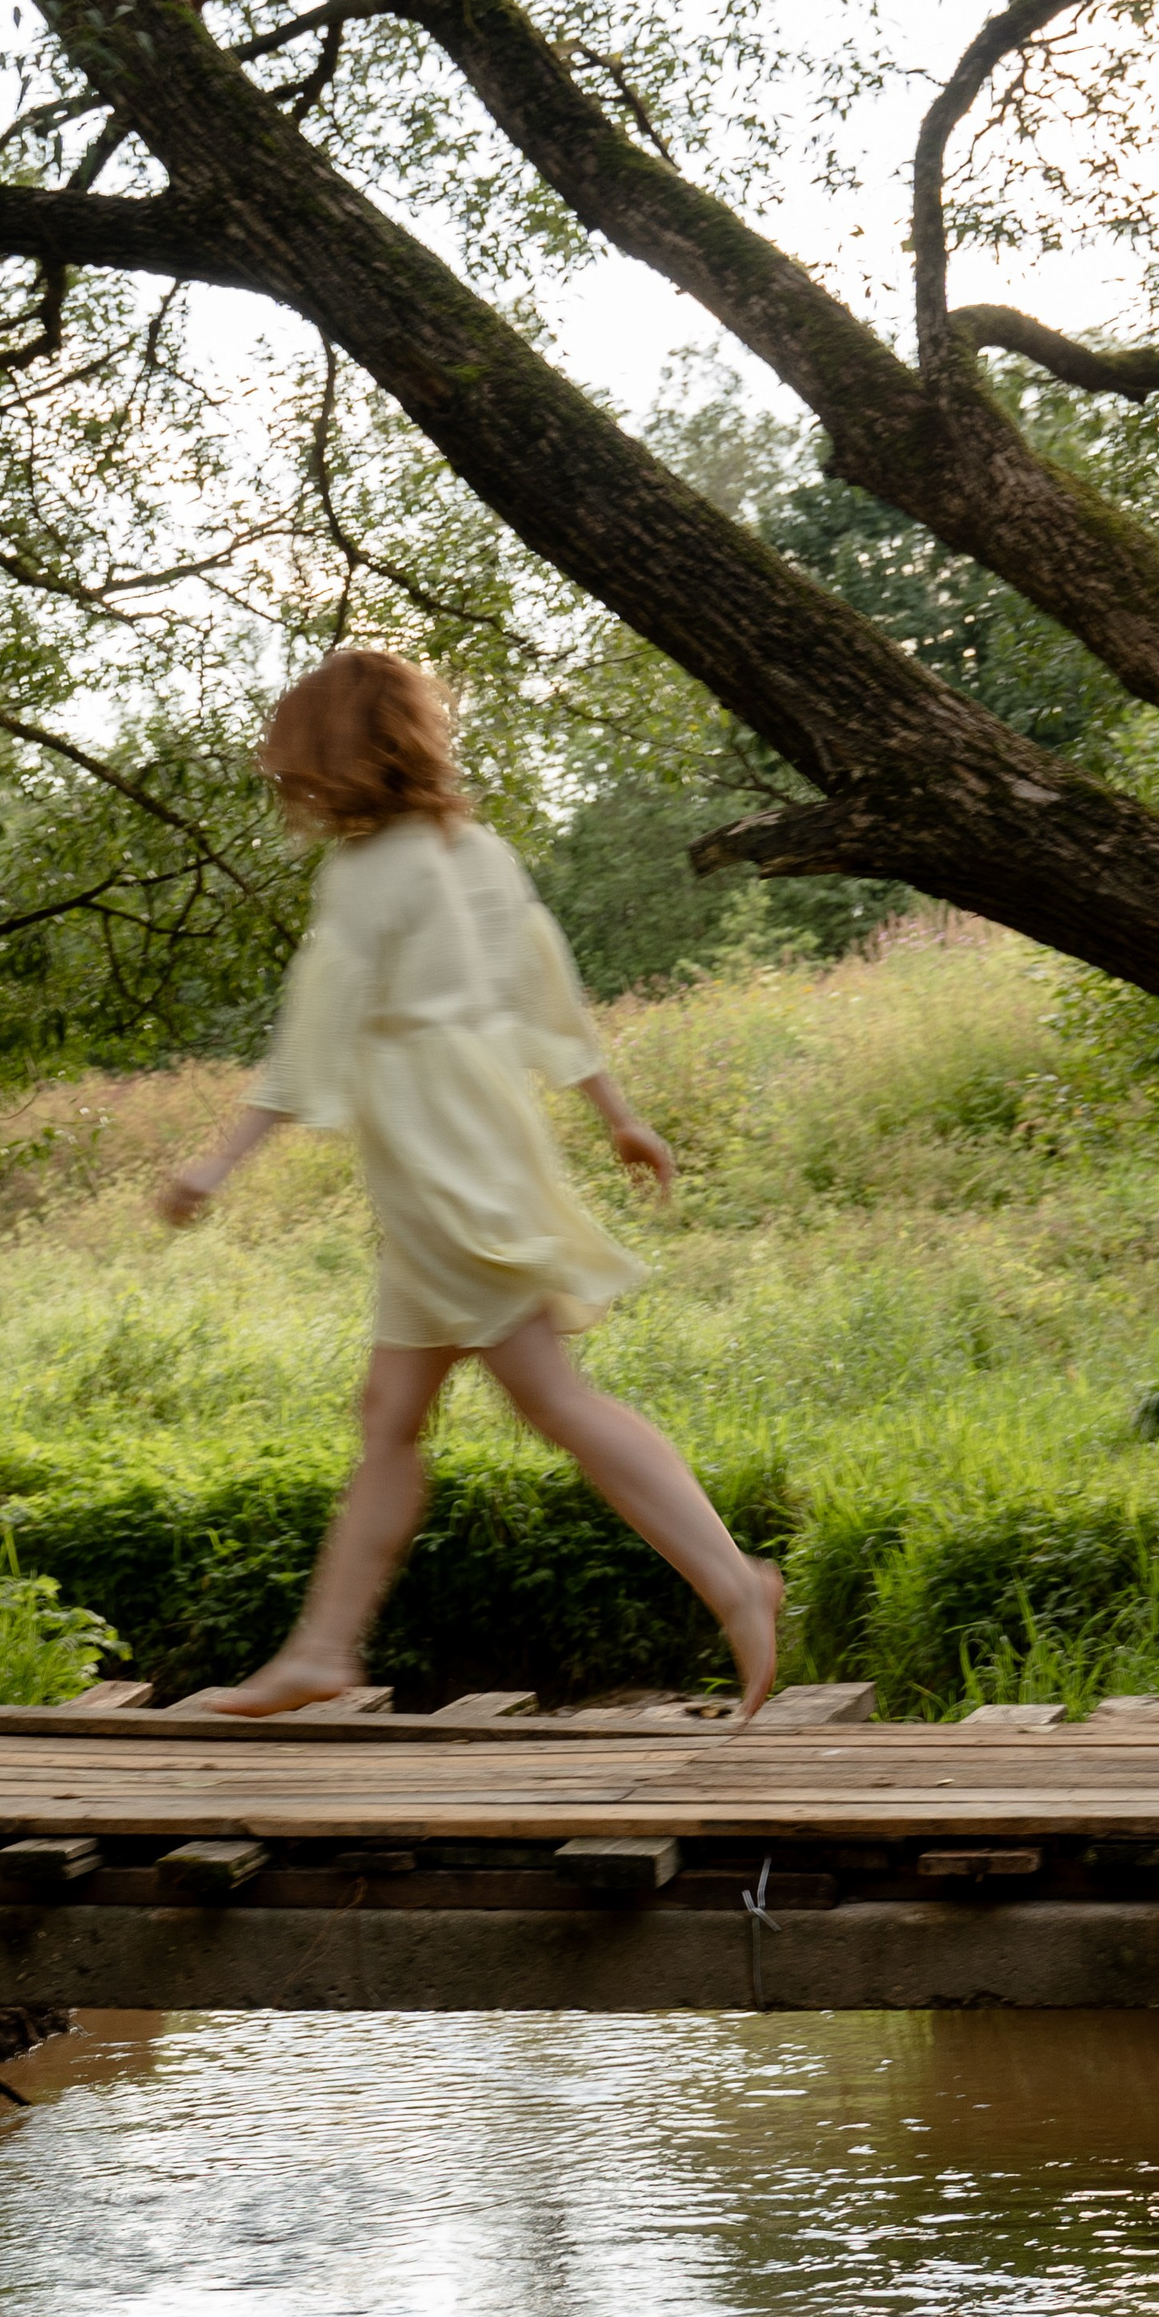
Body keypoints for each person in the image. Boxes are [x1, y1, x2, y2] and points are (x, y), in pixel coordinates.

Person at [153, 646, 782, 1718]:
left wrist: (218, 1159)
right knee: (391, 1411)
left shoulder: (363, 873)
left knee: (550, 1394)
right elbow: (548, 988)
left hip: (439, 1152)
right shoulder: (477, 849)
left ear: (334, 758)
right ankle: (323, 1649)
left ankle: (735, 1584)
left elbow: (314, 1031)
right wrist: (618, 1114)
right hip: (474, 1133)